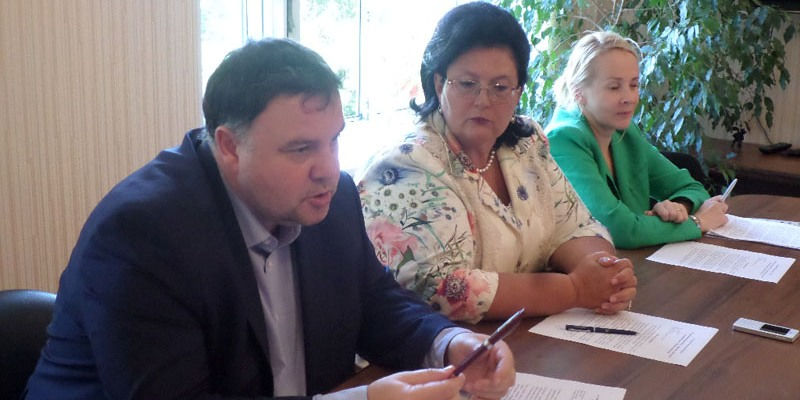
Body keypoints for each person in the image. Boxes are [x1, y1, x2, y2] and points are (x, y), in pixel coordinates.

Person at [24, 38, 515, 400]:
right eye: (301, 149)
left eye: (333, 140)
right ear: (229, 146)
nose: (328, 169)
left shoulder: (332, 196)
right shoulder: (143, 234)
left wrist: (451, 342)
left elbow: (374, 302)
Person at [357, 2, 637, 324]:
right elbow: (443, 288)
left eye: (500, 87)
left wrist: (604, 273)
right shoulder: (405, 166)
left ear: (518, 93)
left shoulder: (527, 142)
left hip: (528, 334)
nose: (483, 100)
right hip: (441, 348)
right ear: (438, 83)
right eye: (467, 84)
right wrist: (575, 289)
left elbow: (575, 225)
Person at [545, 31, 728, 249]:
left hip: (634, 260)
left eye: (634, 85)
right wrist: (698, 222)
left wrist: (679, 206)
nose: (629, 98)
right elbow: (617, 229)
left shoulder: (624, 132)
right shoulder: (563, 139)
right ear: (579, 93)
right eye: (614, 87)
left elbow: (692, 187)